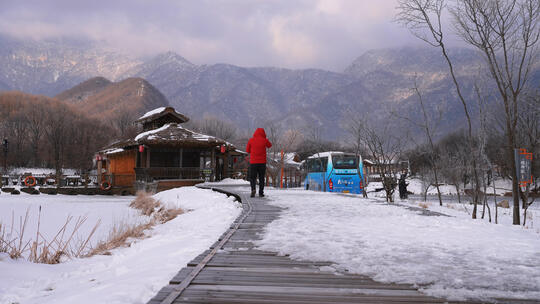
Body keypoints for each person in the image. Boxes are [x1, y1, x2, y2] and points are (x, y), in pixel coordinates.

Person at [246, 128, 272, 197]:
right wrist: (265, 139)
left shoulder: (251, 140)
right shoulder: (265, 140)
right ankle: (261, 192)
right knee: (261, 178)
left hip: (253, 162)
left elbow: (247, 150)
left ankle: (253, 189)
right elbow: (270, 145)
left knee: (253, 178)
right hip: (262, 163)